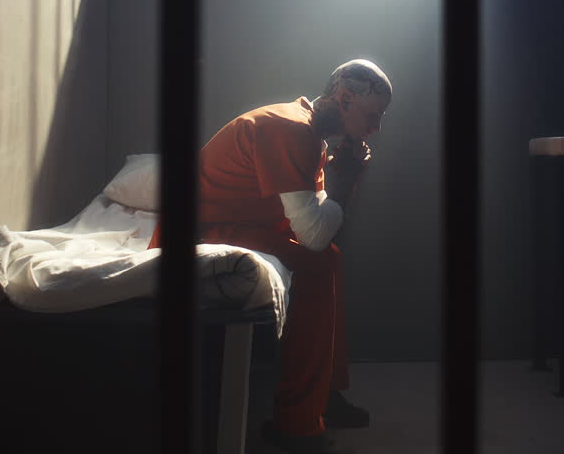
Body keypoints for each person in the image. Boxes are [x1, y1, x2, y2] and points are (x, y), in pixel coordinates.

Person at [148, 59, 391, 454]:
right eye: (373, 116)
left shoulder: (309, 132)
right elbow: (313, 234)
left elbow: (318, 221)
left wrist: (344, 176)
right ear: (345, 99)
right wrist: (345, 179)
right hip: (196, 235)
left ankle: (323, 395)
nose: (376, 129)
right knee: (321, 260)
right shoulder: (293, 130)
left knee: (328, 255)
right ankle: (296, 424)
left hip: (234, 222)